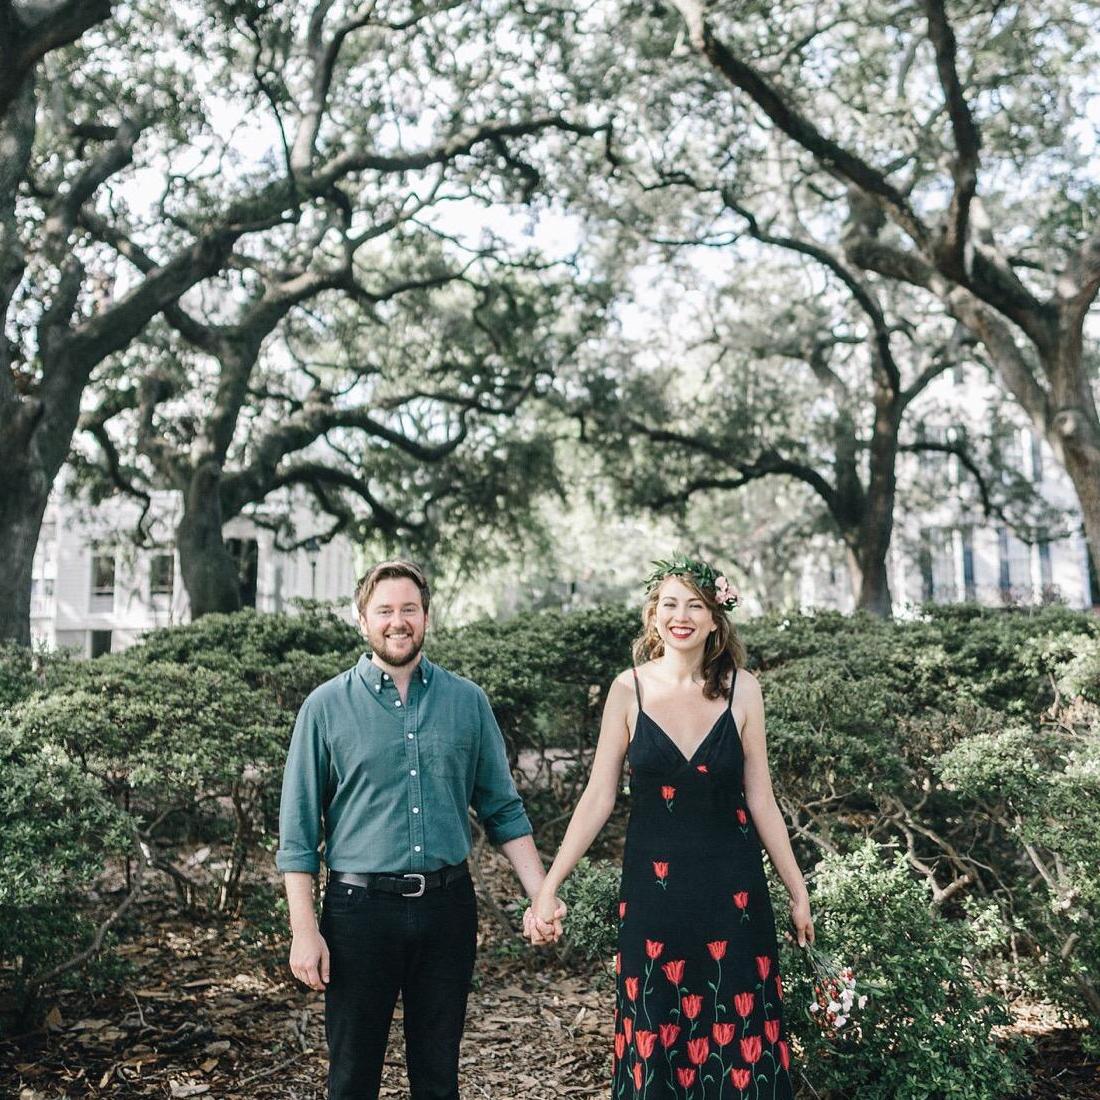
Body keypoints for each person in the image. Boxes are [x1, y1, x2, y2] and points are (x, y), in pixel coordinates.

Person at [276, 559, 564, 1100]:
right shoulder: (324, 707)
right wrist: (304, 929)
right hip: (358, 913)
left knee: (437, 1074)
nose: (397, 620)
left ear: (426, 618)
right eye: (384, 610)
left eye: (409, 609)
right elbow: (297, 835)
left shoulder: (467, 702)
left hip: (447, 909)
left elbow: (502, 809)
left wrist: (540, 894)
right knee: (352, 1076)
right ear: (363, 621)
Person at [528, 557, 813, 1098]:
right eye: (669, 604)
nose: (680, 616)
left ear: (715, 619)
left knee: (737, 1027)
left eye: (695, 606)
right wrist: (548, 886)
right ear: (653, 615)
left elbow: (762, 799)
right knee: (657, 1022)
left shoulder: (743, 690)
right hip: (653, 896)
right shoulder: (626, 689)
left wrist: (797, 891)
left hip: (733, 895)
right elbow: (597, 796)